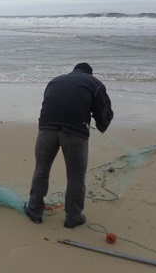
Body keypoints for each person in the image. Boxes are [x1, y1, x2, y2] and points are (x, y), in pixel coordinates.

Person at [25, 63, 113, 228]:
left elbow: (49, 103)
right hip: (75, 133)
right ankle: (73, 217)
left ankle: (34, 211)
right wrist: (102, 126)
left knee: (41, 171)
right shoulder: (94, 83)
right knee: (76, 177)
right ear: (90, 74)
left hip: (46, 129)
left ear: (73, 71)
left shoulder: (55, 81)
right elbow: (104, 111)